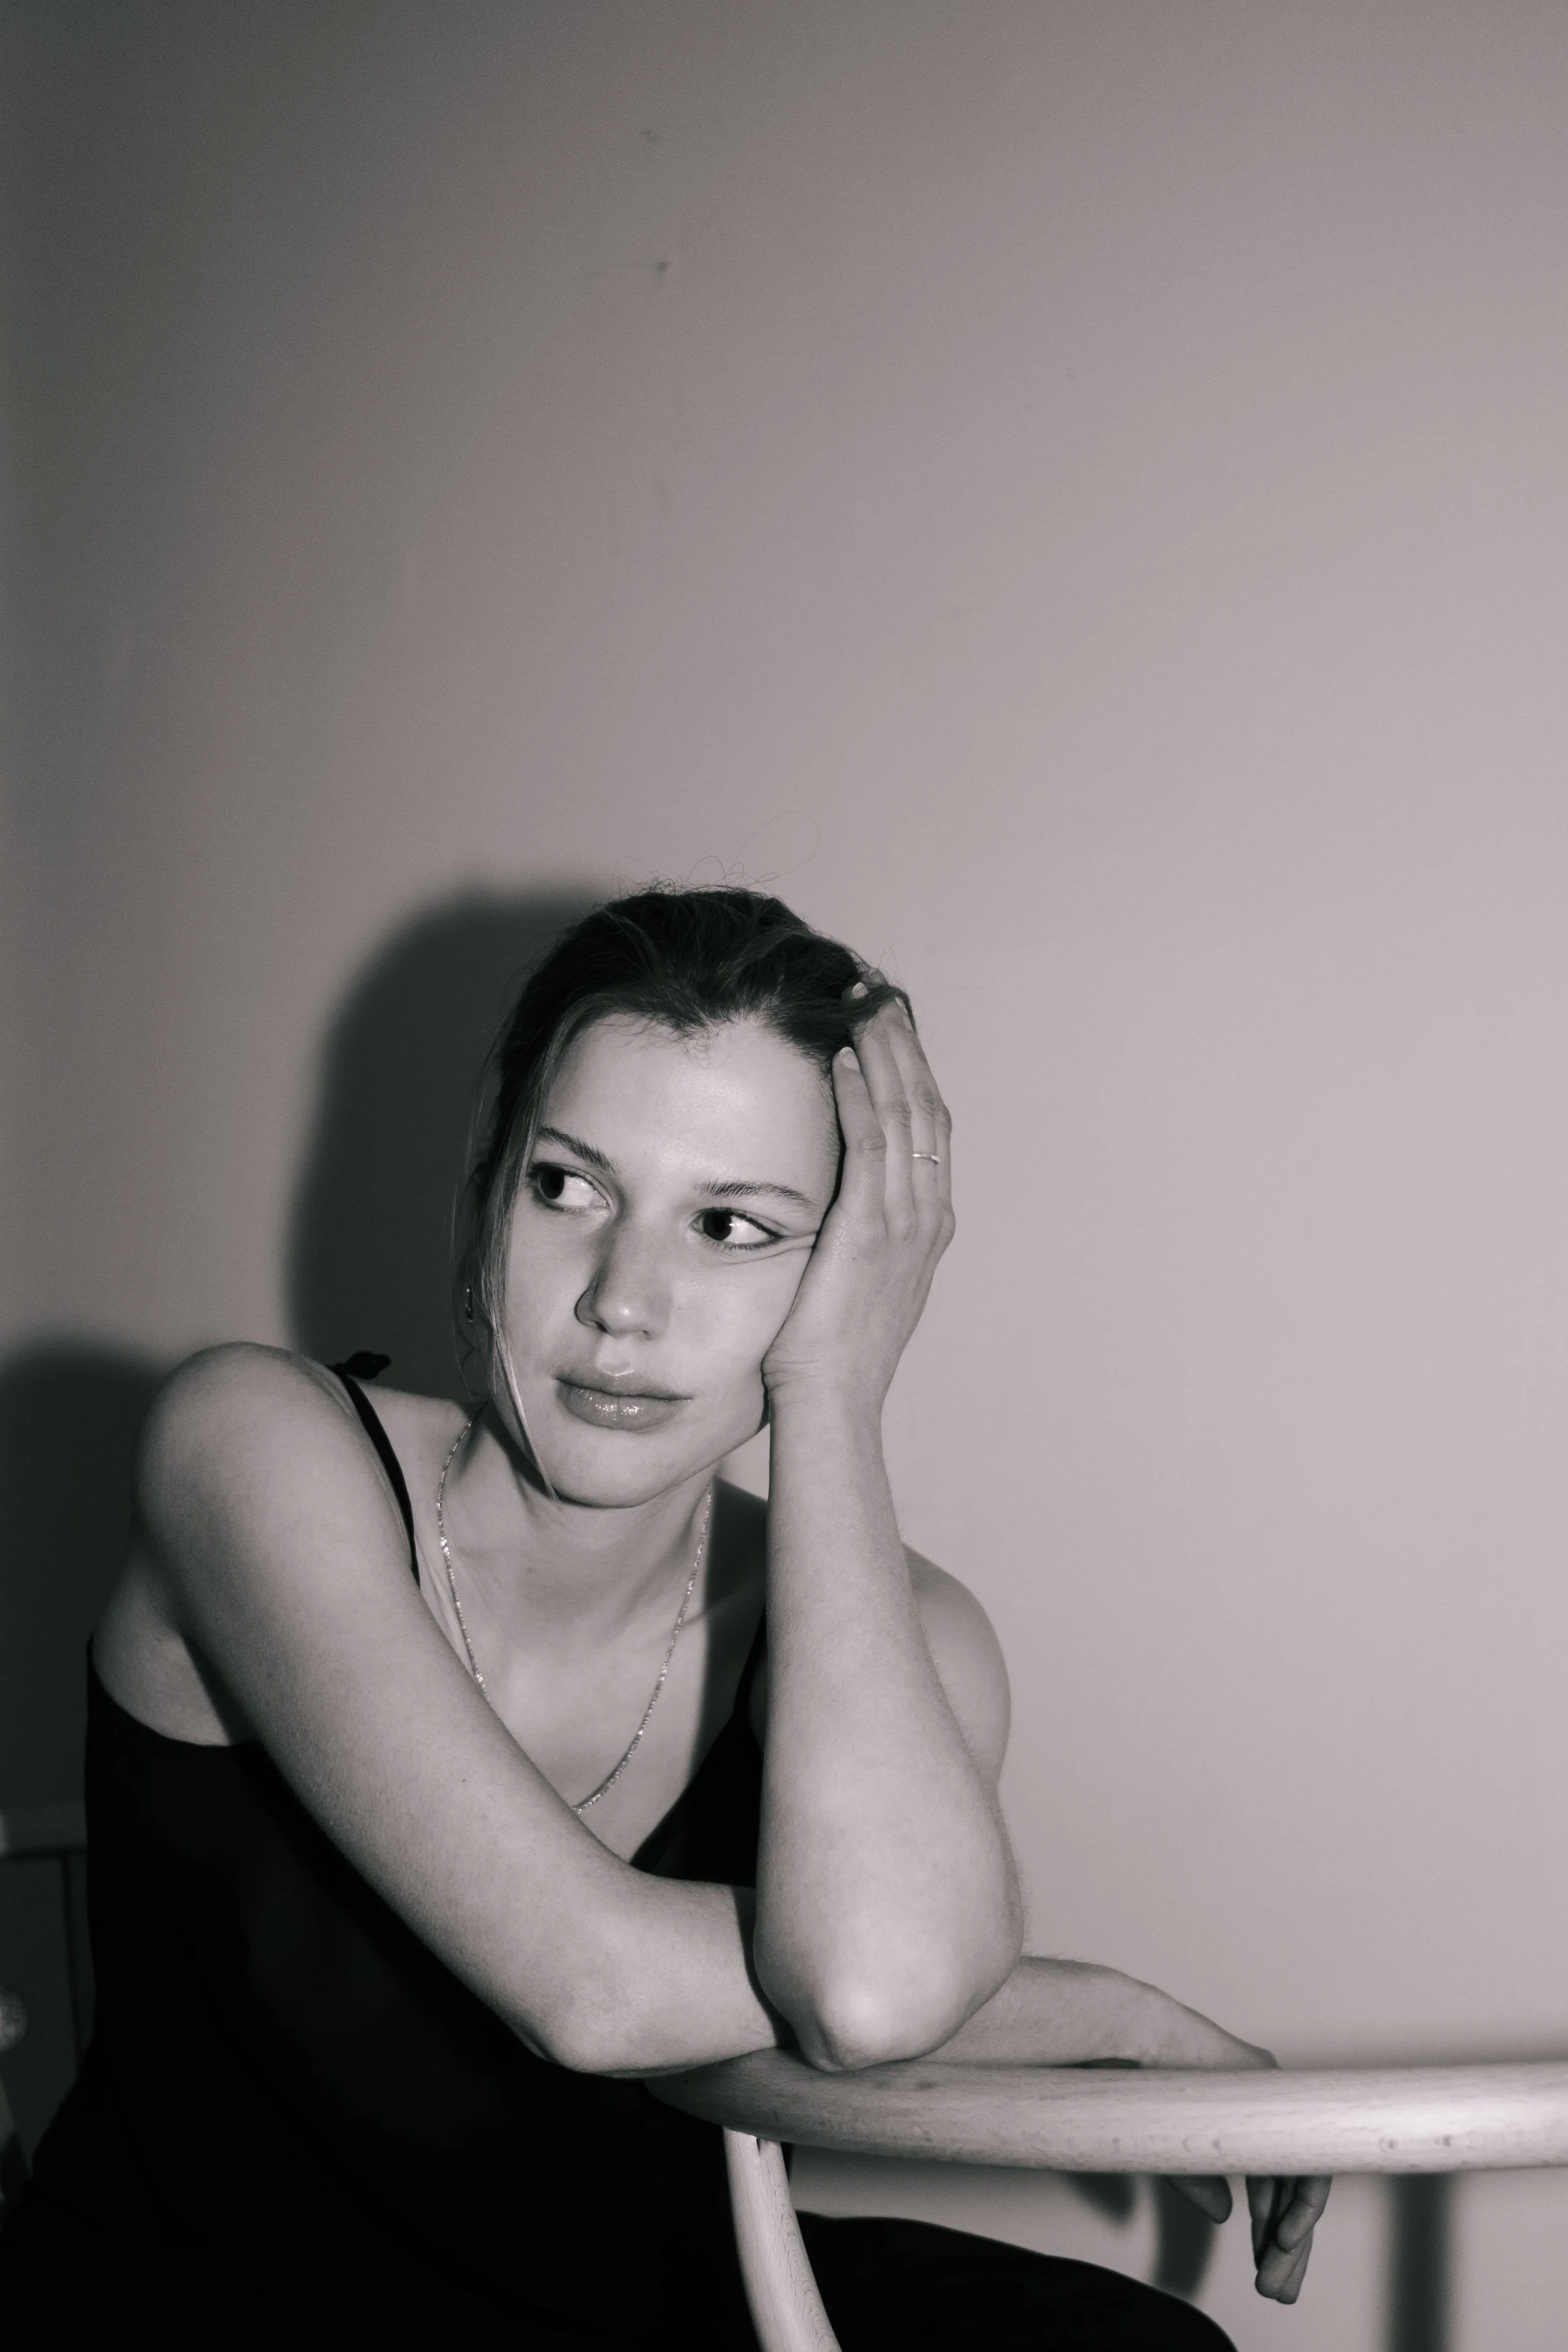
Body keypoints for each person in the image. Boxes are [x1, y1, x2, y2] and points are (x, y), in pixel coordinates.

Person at [0, 887, 1327, 2347]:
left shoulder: (900, 1637)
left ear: (847, 1276)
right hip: (192, 2305)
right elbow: (594, 1991)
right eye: (565, 1188)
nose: (624, 1300)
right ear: (487, 1179)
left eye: (731, 1226)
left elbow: (874, 1991)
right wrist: (1116, 2017)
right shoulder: (248, 1445)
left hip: (618, 2292)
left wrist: (832, 1395)